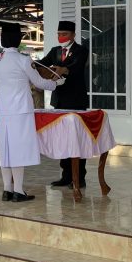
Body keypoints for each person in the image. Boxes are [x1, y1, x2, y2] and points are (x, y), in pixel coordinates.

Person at [0, 23, 61, 202]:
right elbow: (38, 82)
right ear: (18, 39)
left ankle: (7, 189)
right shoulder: (24, 59)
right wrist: (56, 84)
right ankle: (19, 191)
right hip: (20, 110)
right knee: (18, 150)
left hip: (3, 110)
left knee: (5, 150)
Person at [39, 20, 90, 188]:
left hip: (76, 100)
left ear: (73, 35)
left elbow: (76, 67)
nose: (61, 37)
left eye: (65, 34)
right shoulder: (54, 51)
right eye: (59, 34)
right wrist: (30, 65)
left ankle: (79, 177)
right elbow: (43, 64)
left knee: (77, 139)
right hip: (59, 100)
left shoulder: (81, 50)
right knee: (63, 139)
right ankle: (66, 176)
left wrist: (63, 69)